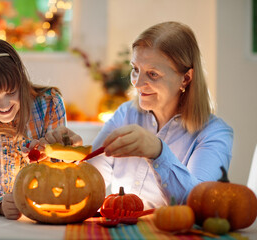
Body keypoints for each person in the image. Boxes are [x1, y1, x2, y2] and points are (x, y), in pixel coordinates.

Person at [88, 21, 233, 209]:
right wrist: (62, 156)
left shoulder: (214, 133)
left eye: (153, 74)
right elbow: (88, 180)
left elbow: (199, 204)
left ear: (186, 78)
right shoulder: (125, 114)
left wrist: (158, 152)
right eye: (135, 70)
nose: (137, 84)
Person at [0, 38, 81, 219]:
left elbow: (60, 172)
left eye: (11, 92)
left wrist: (70, 152)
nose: (4, 105)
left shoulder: (49, 103)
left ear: (20, 79)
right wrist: (0, 204)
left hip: (39, 213)